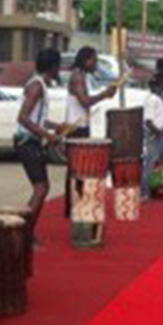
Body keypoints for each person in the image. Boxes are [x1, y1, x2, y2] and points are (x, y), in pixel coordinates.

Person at [64, 47, 117, 217]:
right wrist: (104, 95)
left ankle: (75, 203)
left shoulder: (81, 76)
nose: (95, 64)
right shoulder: (78, 77)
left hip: (80, 125)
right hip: (76, 128)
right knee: (76, 168)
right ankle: (73, 204)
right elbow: (85, 101)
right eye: (94, 60)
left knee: (77, 167)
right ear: (86, 60)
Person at [14, 48, 61, 237]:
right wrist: (48, 136)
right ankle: (25, 232)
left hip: (30, 140)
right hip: (27, 141)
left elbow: (36, 119)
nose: (59, 70)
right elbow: (23, 118)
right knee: (41, 188)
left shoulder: (39, 84)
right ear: (52, 67)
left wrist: (56, 126)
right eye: (58, 67)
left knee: (42, 188)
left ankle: (25, 231)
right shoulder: (37, 86)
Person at [142, 64, 163, 201]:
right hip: (153, 135)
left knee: (156, 162)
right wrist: (159, 133)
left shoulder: (158, 99)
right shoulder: (152, 99)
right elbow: (148, 121)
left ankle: (152, 188)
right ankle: (144, 191)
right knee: (150, 163)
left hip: (158, 134)